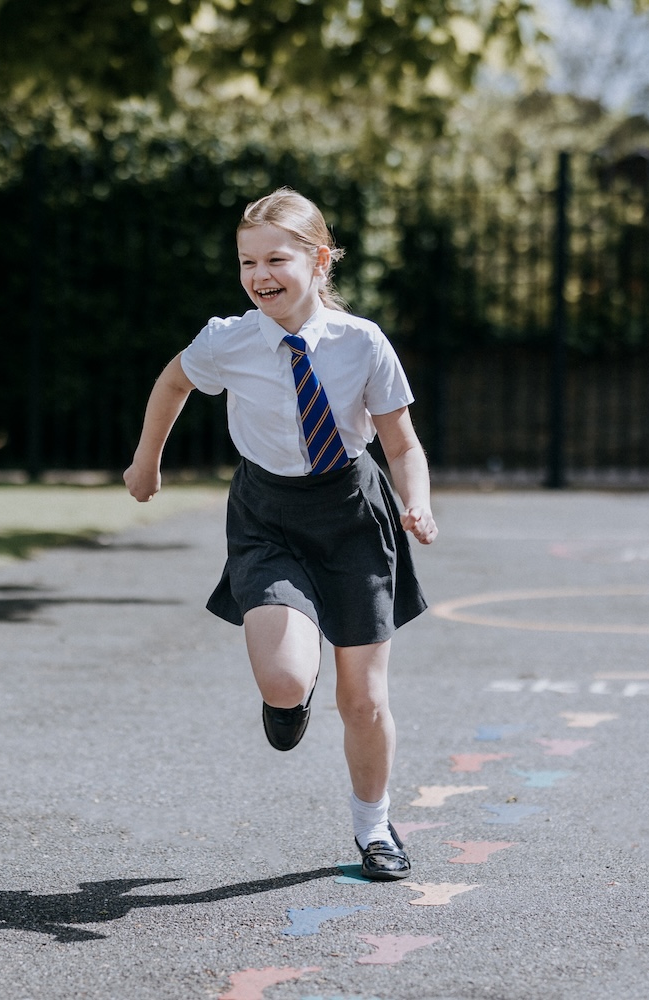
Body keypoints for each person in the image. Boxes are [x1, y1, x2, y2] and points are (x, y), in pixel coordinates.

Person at [123, 187, 437, 881]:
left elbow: (403, 444)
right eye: (246, 262)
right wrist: (147, 459)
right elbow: (172, 382)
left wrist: (417, 503)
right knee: (286, 679)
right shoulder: (228, 340)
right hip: (268, 513)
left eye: (276, 259)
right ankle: (291, 695)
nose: (260, 274)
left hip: (355, 517)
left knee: (364, 699)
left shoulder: (362, 344)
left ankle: (375, 826)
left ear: (319, 260)